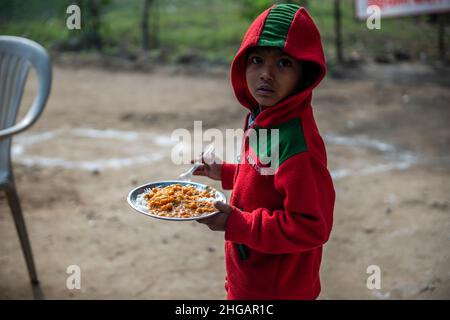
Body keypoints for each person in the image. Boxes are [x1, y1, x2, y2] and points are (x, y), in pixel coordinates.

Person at [193, 3, 335, 300]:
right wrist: (225, 172)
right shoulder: (263, 115)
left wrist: (237, 224)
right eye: (256, 60)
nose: (266, 74)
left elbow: (311, 227)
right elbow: (262, 171)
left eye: (283, 63)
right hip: (251, 275)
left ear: (304, 76)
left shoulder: (298, 144)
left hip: (280, 289)